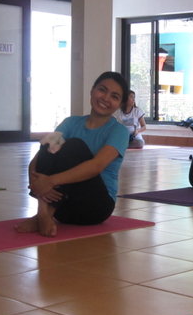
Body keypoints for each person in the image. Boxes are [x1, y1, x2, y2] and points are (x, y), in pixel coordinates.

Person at [15, 72, 130, 237]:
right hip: (63, 208)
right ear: (92, 91)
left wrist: (50, 181)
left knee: (74, 146)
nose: (105, 98)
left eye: (114, 96)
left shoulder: (119, 131)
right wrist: (36, 183)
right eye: (102, 90)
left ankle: (46, 214)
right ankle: (43, 214)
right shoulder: (70, 123)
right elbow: (41, 155)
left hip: (95, 207)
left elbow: (96, 166)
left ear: (119, 104)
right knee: (51, 144)